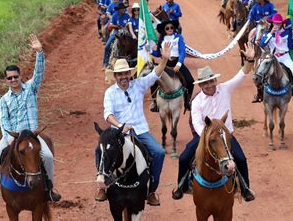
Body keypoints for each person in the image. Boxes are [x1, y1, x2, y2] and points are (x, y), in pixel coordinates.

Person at [0, 34, 61, 210]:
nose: (13, 80)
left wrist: (39, 52)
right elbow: (3, 122)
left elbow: (39, 73)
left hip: (31, 135)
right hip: (12, 137)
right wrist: (9, 140)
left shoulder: (31, 88)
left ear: (20, 76)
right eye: (9, 78)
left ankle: (49, 189)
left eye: (15, 76)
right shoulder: (4, 100)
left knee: (48, 156)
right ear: (6, 80)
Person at [172, 42, 257, 202]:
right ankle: (181, 186)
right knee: (184, 158)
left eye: (211, 81)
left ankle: (245, 189)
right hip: (204, 136)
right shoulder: (197, 101)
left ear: (215, 81)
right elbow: (197, 123)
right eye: (205, 83)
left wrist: (250, 61)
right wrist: (206, 135)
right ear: (201, 85)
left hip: (226, 135)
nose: (209, 85)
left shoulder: (225, 89)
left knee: (240, 158)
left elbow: (242, 74)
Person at [94, 43, 173, 206]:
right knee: (98, 149)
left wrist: (164, 60)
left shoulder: (139, 85)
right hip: (118, 132)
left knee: (158, 152)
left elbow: (155, 74)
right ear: (115, 77)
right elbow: (107, 114)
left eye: (125, 73)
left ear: (130, 74)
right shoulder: (110, 92)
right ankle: (101, 184)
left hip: (140, 130)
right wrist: (121, 125)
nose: (123, 77)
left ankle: (151, 189)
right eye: (120, 74)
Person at [149, 20, 194, 112]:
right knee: (153, 79)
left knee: (190, 80)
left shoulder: (179, 37)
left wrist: (179, 64)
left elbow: (182, 51)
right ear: (164, 30)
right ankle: (154, 102)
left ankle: (188, 101)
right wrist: (149, 50)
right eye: (167, 28)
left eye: (171, 28)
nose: (170, 29)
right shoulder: (161, 39)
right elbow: (158, 53)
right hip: (165, 64)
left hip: (177, 63)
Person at [257, 13, 293, 103]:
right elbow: (262, 44)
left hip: (285, 57)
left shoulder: (287, 32)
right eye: (275, 23)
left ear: (282, 24)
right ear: (272, 23)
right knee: (260, 73)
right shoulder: (268, 33)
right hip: (272, 58)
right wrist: (271, 33)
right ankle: (259, 94)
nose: (276, 25)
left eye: (278, 23)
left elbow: (290, 46)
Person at [103, 3, 131, 69]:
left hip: (126, 31)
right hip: (117, 31)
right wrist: (116, 26)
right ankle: (106, 63)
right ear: (119, 10)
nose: (123, 10)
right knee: (107, 46)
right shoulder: (114, 15)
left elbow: (130, 24)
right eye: (122, 9)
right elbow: (110, 25)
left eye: (124, 9)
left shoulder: (127, 16)